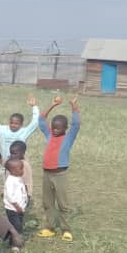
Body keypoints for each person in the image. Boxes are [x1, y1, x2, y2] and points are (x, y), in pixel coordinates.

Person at [36, 95, 82, 242]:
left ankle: (66, 230)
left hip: (60, 174)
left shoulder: (68, 138)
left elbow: (76, 124)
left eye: (58, 128)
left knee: (63, 204)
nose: (55, 130)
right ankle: (50, 228)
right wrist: (53, 104)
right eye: (53, 127)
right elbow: (41, 120)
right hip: (47, 174)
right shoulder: (49, 135)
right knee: (47, 203)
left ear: (65, 128)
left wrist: (73, 106)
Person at [0, 94, 40, 164]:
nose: (13, 125)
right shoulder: (3, 130)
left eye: (16, 123)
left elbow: (35, 123)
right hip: (4, 163)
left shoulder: (24, 131)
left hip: (17, 164)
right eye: (11, 123)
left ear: (21, 124)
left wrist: (34, 107)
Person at [3, 159, 29, 234]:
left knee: (19, 223)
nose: (23, 170)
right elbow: (10, 196)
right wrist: (17, 207)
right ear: (13, 171)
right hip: (13, 209)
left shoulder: (18, 177)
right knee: (16, 226)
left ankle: (16, 237)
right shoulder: (10, 181)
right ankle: (14, 239)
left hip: (20, 208)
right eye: (21, 168)